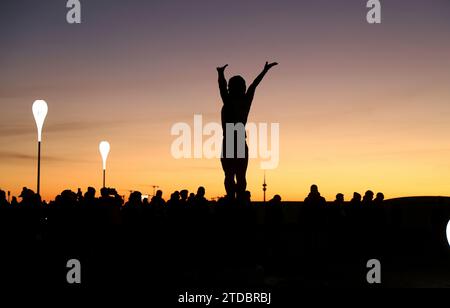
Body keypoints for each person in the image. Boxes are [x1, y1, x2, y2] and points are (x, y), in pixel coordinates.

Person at [217, 61, 278, 201]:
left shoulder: (230, 101)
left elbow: (224, 88)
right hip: (236, 140)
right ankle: (236, 199)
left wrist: (220, 74)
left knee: (230, 175)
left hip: (231, 140)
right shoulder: (243, 101)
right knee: (239, 175)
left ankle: (233, 198)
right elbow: (253, 85)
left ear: (230, 88)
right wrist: (264, 71)